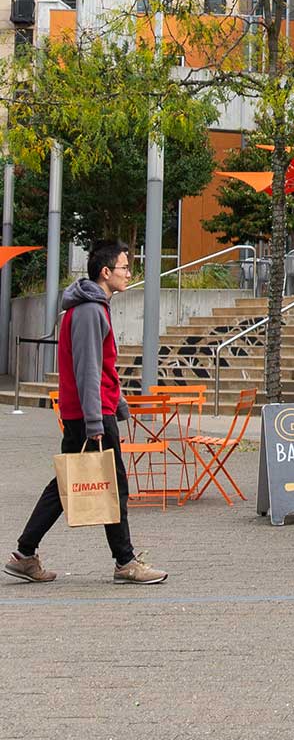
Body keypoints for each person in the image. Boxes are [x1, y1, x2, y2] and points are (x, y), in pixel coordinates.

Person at [4, 242, 167, 585]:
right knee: (113, 483)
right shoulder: (91, 311)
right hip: (89, 415)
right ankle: (125, 561)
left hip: (89, 412)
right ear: (105, 272)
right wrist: (97, 420)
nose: (128, 273)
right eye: (124, 267)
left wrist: (116, 405)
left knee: (67, 485)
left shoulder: (91, 308)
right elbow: (87, 370)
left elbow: (101, 367)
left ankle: (25, 554)